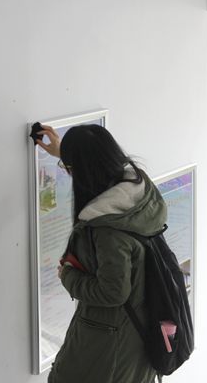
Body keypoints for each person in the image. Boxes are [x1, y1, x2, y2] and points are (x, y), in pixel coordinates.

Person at [36, 124, 166, 383]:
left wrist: (68, 276)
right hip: (136, 335)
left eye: (69, 168)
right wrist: (66, 153)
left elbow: (113, 292)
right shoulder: (138, 193)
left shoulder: (107, 229)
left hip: (109, 343)